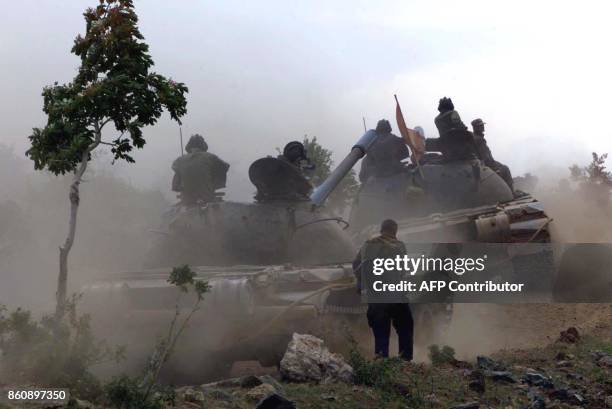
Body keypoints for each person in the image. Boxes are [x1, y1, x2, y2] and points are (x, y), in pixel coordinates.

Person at [353, 219, 414, 360]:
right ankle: (405, 361)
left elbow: (356, 265)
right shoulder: (400, 246)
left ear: (382, 230)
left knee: (381, 333)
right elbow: (403, 271)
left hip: (377, 297)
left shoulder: (368, 245)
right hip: (397, 296)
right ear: (395, 231)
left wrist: (362, 284)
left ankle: (382, 363)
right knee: (405, 327)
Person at [171, 134, 229, 205]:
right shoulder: (210, 157)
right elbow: (225, 167)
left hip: (187, 200)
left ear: (188, 147)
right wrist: (214, 184)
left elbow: (175, 187)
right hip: (208, 198)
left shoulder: (179, 161)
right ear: (204, 147)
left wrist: (184, 186)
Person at [471, 118, 514, 191]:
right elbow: (485, 157)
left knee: (503, 167)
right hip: (487, 164)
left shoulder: (475, 138)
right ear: (476, 127)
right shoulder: (479, 139)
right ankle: (511, 192)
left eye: (482, 125)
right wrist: (494, 168)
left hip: (486, 163)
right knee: (505, 169)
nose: (482, 127)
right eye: (480, 126)